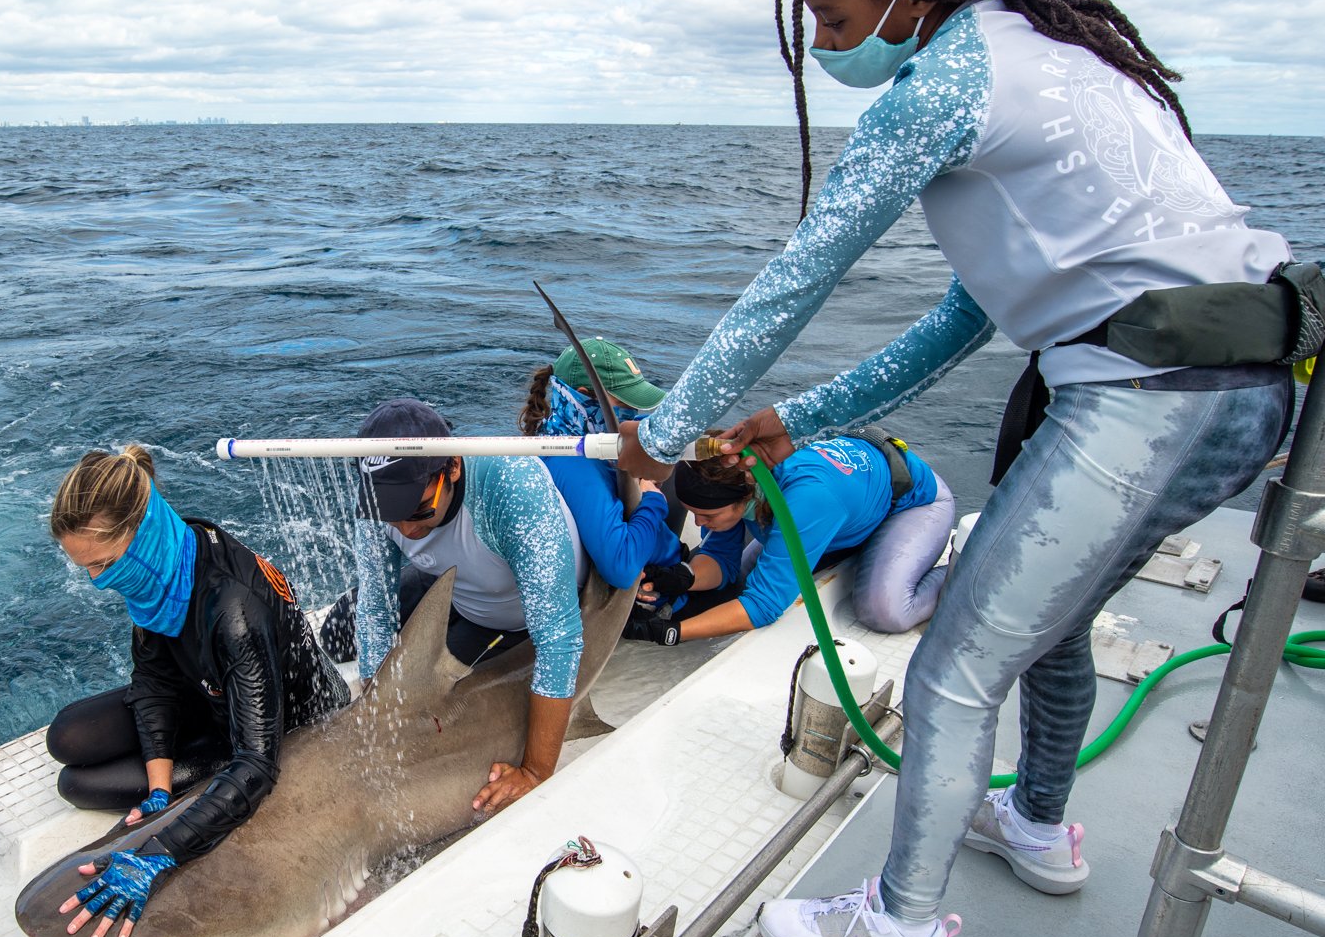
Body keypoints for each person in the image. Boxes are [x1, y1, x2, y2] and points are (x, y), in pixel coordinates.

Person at [615, 0, 1296, 937]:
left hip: (1145, 399)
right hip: (1244, 390)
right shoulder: (1054, 59)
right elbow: (957, 325)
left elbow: (797, 276)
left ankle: (901, 933)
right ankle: (1034, 823)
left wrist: (666, 431)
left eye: (830, 22)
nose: (825, 47)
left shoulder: (938, 88)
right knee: (1056, 620)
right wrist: (798, 416)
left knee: (951, 671)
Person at [46, 445, 349, 937]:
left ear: (139, 530)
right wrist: (161, 791)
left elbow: (256, 762)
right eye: (87, 569)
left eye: (103, 565)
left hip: (287, 727)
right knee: (69, 738)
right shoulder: (157, 562)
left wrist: (157, 852)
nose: (99, 583)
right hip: (210, 691)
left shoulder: (233, 606)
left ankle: (199, 790)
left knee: (82, 787)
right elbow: (153, 682)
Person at [319, 396, 588, 813]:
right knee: (339, 635)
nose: (407, 529)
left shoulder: (511, 483)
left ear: (454, 466)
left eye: (418, 510)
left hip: (526, 612)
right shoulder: (375, 502)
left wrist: (536, 771)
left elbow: (558, 638)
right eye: (391, 515)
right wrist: (377, 707)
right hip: (460, 587)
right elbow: (374, 608)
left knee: (454, 717)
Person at [636, 435, 952, 644]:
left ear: (745, 497)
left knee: (885, 611)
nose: (697, 522)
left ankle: (957, 571)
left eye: (707, 517)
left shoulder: (806, 501)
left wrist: (671, 632)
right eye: (694, 513)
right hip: (839, 512)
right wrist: (682, 577)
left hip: (913, 506)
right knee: (742, 582)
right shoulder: (735, 474)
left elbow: (764, 605)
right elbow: (722, 560)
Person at [516, 337, 683, 601]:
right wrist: (653, 499)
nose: (633, 412)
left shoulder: (553, 433)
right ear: (585, 395)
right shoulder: (575, 467)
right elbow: (622, 569)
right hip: (659, 579)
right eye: (626, 403)